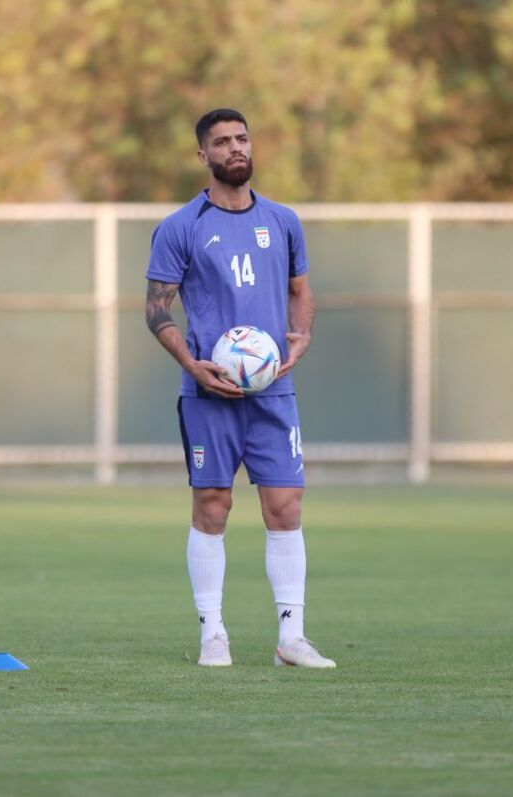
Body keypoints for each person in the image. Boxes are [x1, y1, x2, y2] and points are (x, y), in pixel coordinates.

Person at [145, 108, 335, 668]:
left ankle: (291, 639)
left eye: (243, 138)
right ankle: (213, 635)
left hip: (273, 392)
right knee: (213, 506)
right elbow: (156, 310)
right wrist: (194, 364)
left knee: (286, 506)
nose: (235, 148)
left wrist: (301, 337)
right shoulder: (181, 226)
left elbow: (301, 291)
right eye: (223, 141)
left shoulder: (283, 220)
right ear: (202, 155)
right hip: (210, 393)